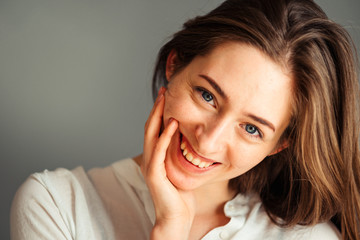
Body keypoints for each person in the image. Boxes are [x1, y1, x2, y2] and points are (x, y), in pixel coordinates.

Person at [10, 0, 360, 239]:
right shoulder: (56, 204)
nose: (207, 141)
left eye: (251, 129)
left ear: (280, 144)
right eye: (207, 95)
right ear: (174, 65)